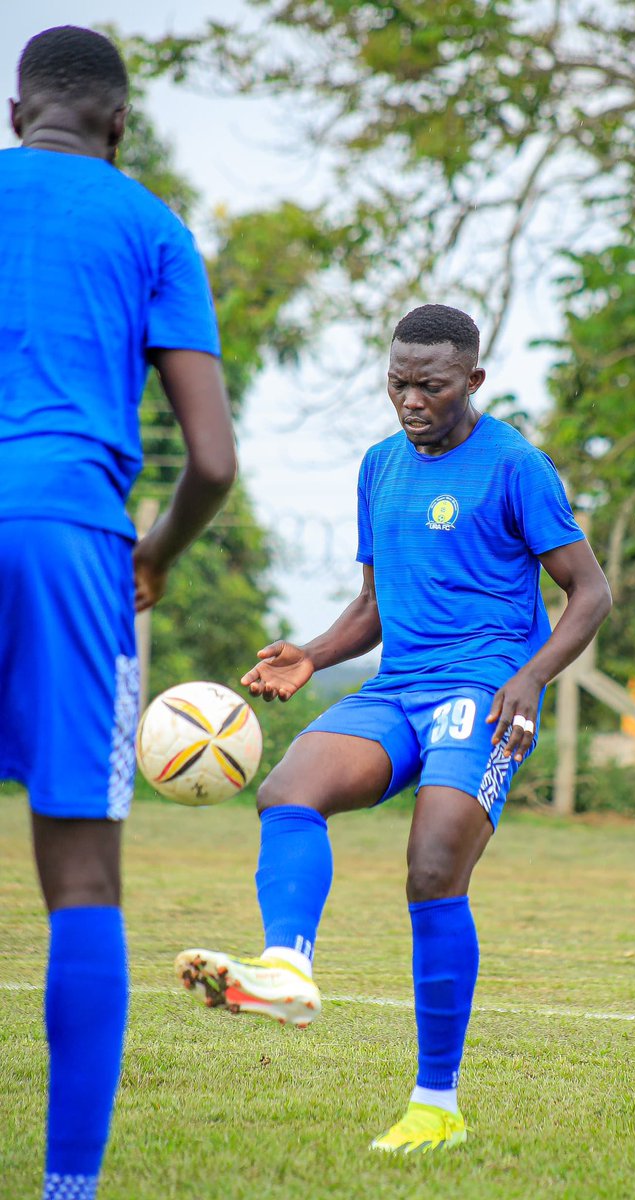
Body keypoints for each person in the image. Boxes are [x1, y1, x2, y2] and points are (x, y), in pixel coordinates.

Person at [176, 303, 611, 1152]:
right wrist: (312, 652)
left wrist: (529, 677)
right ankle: (288, 968)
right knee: (289, 790)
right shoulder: (380, 466)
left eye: (431, 385)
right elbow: (375, 605)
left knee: (433, 865)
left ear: (473, 382)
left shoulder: (516, 465)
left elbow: (588, 591)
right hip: (397, 685)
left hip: (484, 690)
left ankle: (435, 1106)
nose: (411, 400)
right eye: (398, 382)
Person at [0, 26, 236, 1200]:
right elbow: (213, 462)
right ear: (119, 126)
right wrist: (153, 557)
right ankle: (67, 1190)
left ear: (13, 113)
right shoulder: (152, 227)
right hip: (71, 543)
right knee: (81, 883)